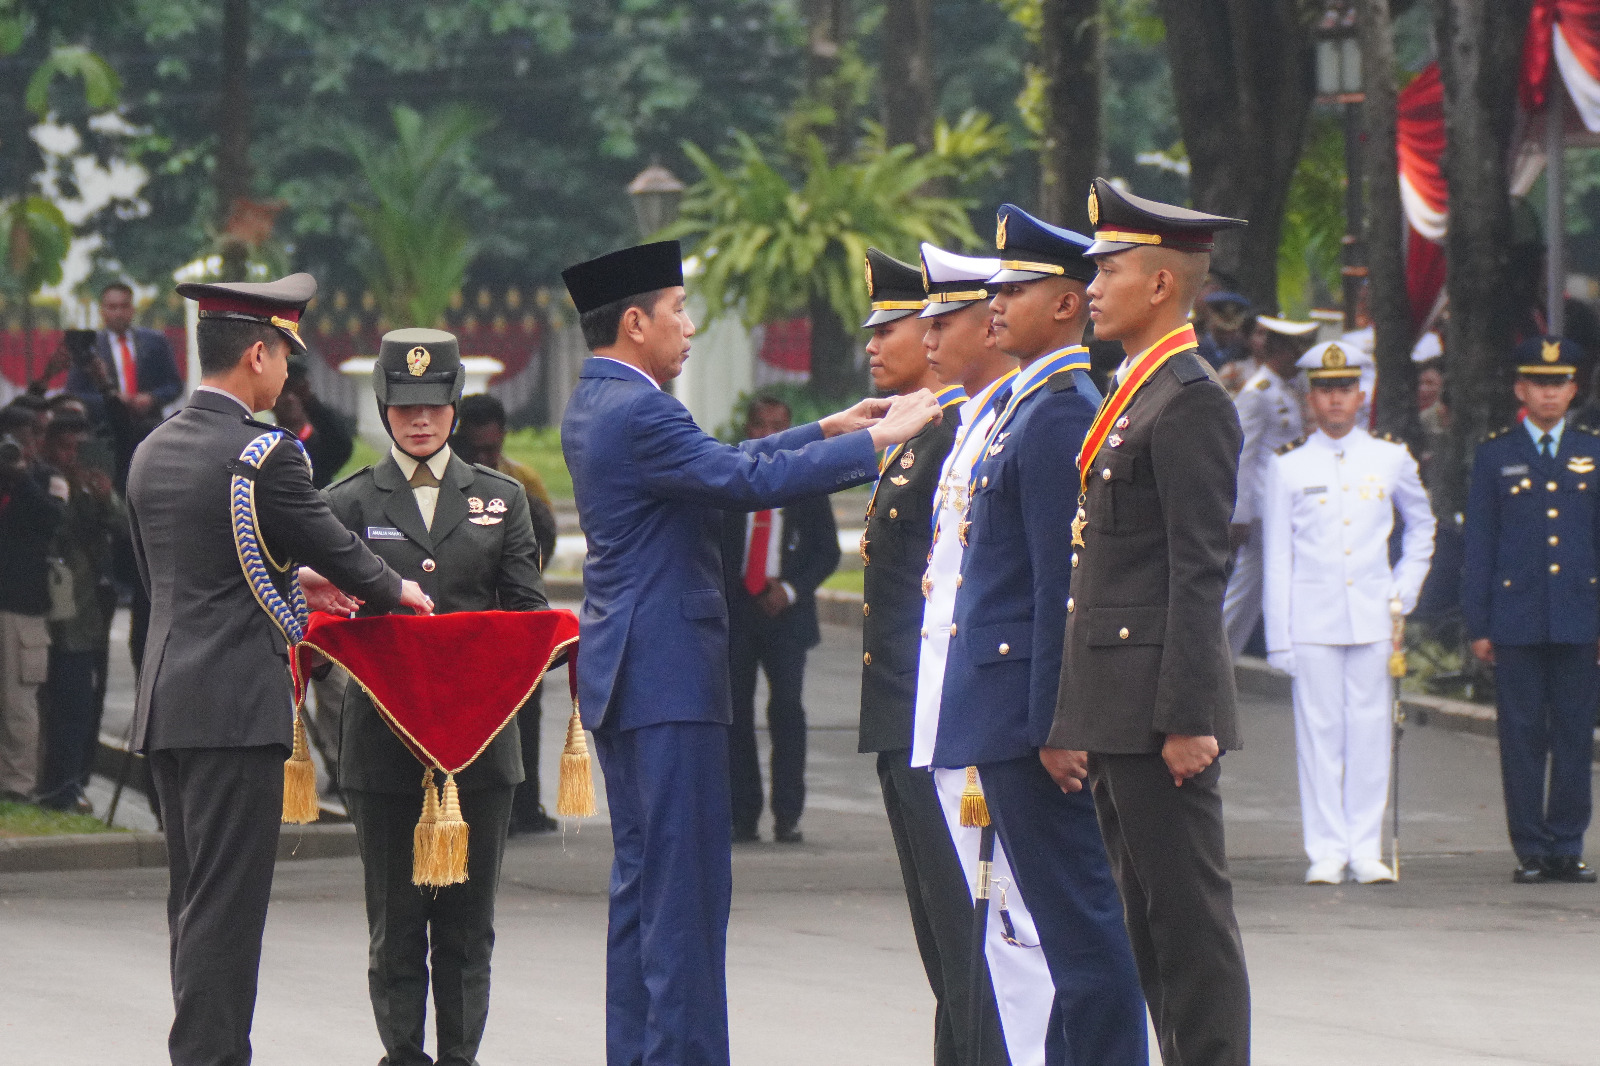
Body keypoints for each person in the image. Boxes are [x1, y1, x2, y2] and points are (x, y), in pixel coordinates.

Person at [559, 239, 939, 1066]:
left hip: (629, 676)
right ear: (635, 323)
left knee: (644, 896)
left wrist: (827, 428)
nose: (689, 329)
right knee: (687, 901)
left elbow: (718, 466)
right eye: (679, 312)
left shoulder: (600, 400)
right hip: (668, 680)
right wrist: (878, 443)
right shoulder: (642, 409)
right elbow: (741, 485)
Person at [125, 273, 430, 1066]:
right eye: (287, 359)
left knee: (193, 904)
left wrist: (293, 583)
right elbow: (343, 551)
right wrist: (401, 591)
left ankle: (202, 1050)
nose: (291, 376)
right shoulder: (265, 455)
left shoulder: (151, 450)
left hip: (169, 701)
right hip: (235, 706)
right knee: (227, 911)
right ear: (256, 354)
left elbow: (185, 577)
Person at [929, 206, 1146, 1066]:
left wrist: (1060, 720)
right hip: (1007, 704)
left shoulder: (1059, 411)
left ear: (1064, 305)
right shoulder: (1029, 406)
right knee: (1059, 936)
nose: (994, 307)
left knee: (1084, 936)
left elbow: (1067, 585)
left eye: (1014, 290)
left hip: (1033, 715)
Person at [1044, 178, 1252, 1066]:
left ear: (1162, 284)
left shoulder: (1191, 398)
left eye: (1110, 268)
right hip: (1117, 703)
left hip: (1158, 710)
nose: (1091, 286)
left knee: (1189, 930)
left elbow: (1196, 571)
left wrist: (1187, 717)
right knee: (1149, 928)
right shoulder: (1139, 391)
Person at [323, 327, 548, 1066]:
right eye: (404, 406)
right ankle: (402, 1056)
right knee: (394, 922)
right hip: (385, 749)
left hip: (480, 751)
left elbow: (525, 618)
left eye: (433, 405)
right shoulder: (349, 502)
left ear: (453, 405)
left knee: (466, 927)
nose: (420, 420)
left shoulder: (500, 500)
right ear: (384, 406)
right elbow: (324, 624)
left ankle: (459, 1056)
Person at [912, 241, 1060, 1066]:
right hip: (955, 699)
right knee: (999, 919)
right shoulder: (979, 422)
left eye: (953, 317)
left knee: (1022, 917)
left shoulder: (1026, 418)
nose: (932, 334)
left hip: (991, 703)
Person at [854, 245, 997, 1066]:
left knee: (963, 924)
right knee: (940, 938)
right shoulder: (916, 432)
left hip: (936, 712)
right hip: (902, 710)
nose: (877, 345)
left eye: (899, 327)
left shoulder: (952, 433)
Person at [1262, 340, 1435, 885]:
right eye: (1324, 390)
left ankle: (1365, 848)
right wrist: (1279, 638)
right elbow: (1276, 556)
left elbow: (1423, 526)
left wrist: (1403, 590)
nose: (1335, 401)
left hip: (1373, 616)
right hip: (1311, 619)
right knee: (1319, 736)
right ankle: (1326, 851)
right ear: (1310, 397)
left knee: (1370, 733)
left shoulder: (1389, 457)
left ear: (1363, 393)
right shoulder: (1287, 465)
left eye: (1344, 390)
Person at [1462, 335, 1600, 885]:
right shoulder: (1496, 454)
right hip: (1516, 617)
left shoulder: (1593, 450)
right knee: (1520, 736)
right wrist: (1479, 622)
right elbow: (1480, 545)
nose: (1549, 393)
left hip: (1578, 615)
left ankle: (1567, 843)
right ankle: (1531, 849)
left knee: (1574, 733)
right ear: (1521, 389)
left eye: (1559, 383)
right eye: (1539, 384)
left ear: (1573, 389)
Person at [723, 395, 841, 844]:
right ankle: (742, 813)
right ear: (747, 429)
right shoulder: (732, 479)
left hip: (786, 613)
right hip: (738, 611)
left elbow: (825, 551)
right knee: (735, 712)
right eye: (760, 425)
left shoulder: (805, 485)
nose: (769, 435)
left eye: (779, 425)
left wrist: (789, 589)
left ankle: (787, 814)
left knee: (787, 709)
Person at [451, 391, 561, 835]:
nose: (486, 458)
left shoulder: (524, 482)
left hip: (512, 618)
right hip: (466, 620)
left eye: (492, 449)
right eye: (476, 450)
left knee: (525, 717)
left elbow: (544, 542)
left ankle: (525, 804)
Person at [36, 412, 124, 812]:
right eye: (64, 448)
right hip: (36, 614)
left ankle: (67, 786)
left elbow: (125, 529)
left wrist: (103, 495)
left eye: (78, 449)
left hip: (80, 620)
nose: (71, 457)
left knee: (76, 707)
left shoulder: (93, 495)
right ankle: (39, 782)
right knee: (36, 708)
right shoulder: (36, 482)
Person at [1222, 315, 1318, 659]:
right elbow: (1243, 456)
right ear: (1279, 351)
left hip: (1293, 505)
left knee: (1276, 585)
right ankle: (1213, 660)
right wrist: (1239, 514)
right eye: (1295, 350)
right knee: (1247, 587)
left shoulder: (1296, 388)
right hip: (1265, 508)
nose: (1299, 358)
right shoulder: (1258, 393)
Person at [0, 404, 67, 803]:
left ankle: (17, 785)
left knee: (18, 703)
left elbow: (51, 520)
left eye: (25, 438)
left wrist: (22, 477)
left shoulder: (48, 478)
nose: (18, 446)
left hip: (22, 605)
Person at [67, 281, 183, 481]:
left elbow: (174, 385)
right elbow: (74, 393)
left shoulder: (155, 342)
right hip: (106, 434)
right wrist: (113, 401)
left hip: (148, 430)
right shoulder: (89, 347)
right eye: (112, 307)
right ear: (102, 310)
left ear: (132, 309)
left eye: (124, 306)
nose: (118, 313)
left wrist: (151, 398)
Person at [272, 353, 355, 489]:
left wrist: (310, 402)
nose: (290, 399)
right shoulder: (264, 438)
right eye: (283, 392)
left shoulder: (317, 441)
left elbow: (342, 445)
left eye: (295, 392)